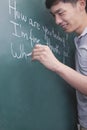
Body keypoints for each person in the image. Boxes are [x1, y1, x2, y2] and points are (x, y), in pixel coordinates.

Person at [32, 0, 87, 130]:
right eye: (53, 15)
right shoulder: (79, 39)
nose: (57, 21)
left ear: (81, 4)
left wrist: (56, 65)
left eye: (61, 13)